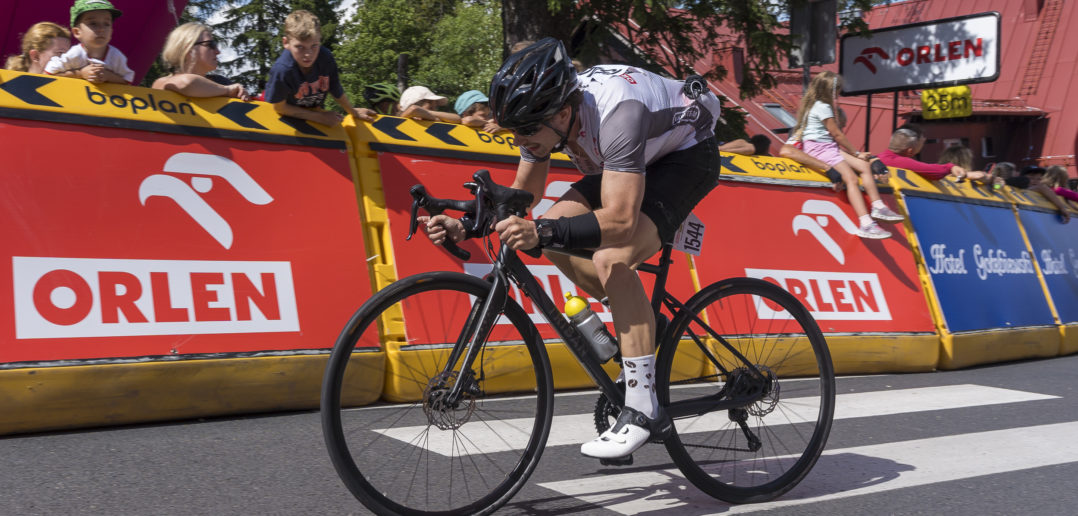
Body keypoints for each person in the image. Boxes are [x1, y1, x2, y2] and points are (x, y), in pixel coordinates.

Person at [421, 38, 722, 460]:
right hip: (633, 158)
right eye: (513, 131)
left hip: (686, 155)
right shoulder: (544, 115)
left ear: (563, 113)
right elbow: (522, 197)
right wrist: (464, 223)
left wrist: (542, 231)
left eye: (526, 132)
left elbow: (619, 221)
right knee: (551, 229)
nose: (522, 140)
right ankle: (634, 322)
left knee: (611, 257)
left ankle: (642, 409)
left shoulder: (618, 112)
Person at [790, 71, 902, 239]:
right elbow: (837, 134)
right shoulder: (823, 107)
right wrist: (856, 152)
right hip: (821, 148)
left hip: (827, 146)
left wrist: (858, 156)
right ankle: (866, 223)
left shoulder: (816, 105)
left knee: (864, 167)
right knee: (850, 178)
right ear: (832, 90)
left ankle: (878, 206)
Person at [265, 10, 376, 126]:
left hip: (313, 113)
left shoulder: (326, 58)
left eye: (314, 46)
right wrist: (319, 117)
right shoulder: (282, 69)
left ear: (320, 41)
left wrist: (353, 111)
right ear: (286, 42)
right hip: (284, 120)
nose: (308, 54)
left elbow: (335, 87)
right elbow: (279, 107)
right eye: (300, 47)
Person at [151, 22, 249, 100]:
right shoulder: (163, 83)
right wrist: (227, 90)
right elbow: (187, 83)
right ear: (189, 50)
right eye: (211, 45)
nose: (218, 51)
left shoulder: (222, 81)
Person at [44, 0, 132, 84]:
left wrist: (109, 76)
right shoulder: (75, 54)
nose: (101, 29)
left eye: (106, 24)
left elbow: (127, 81)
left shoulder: (116, 57)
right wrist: (81, 74)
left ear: (111, 31)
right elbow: (47, 74)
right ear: (77, 32)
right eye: (93, 23)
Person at [876, 126, 992, 183]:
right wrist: (950, 166)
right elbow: (935, 172)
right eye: (921, 143)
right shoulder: (900, 161)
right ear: (910, 151)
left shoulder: (879, 157)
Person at [4, 22, 71, 74]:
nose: (67, 59)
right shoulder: (6, 86)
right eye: (60, 53)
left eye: (69, 53)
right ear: (35, 56)